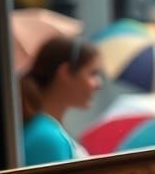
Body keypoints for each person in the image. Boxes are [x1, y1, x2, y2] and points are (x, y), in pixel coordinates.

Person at [20, 36, 102, 166]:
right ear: (65, 72)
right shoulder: (47, 138)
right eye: (92, 73)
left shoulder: (45, 130)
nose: (98, 84)